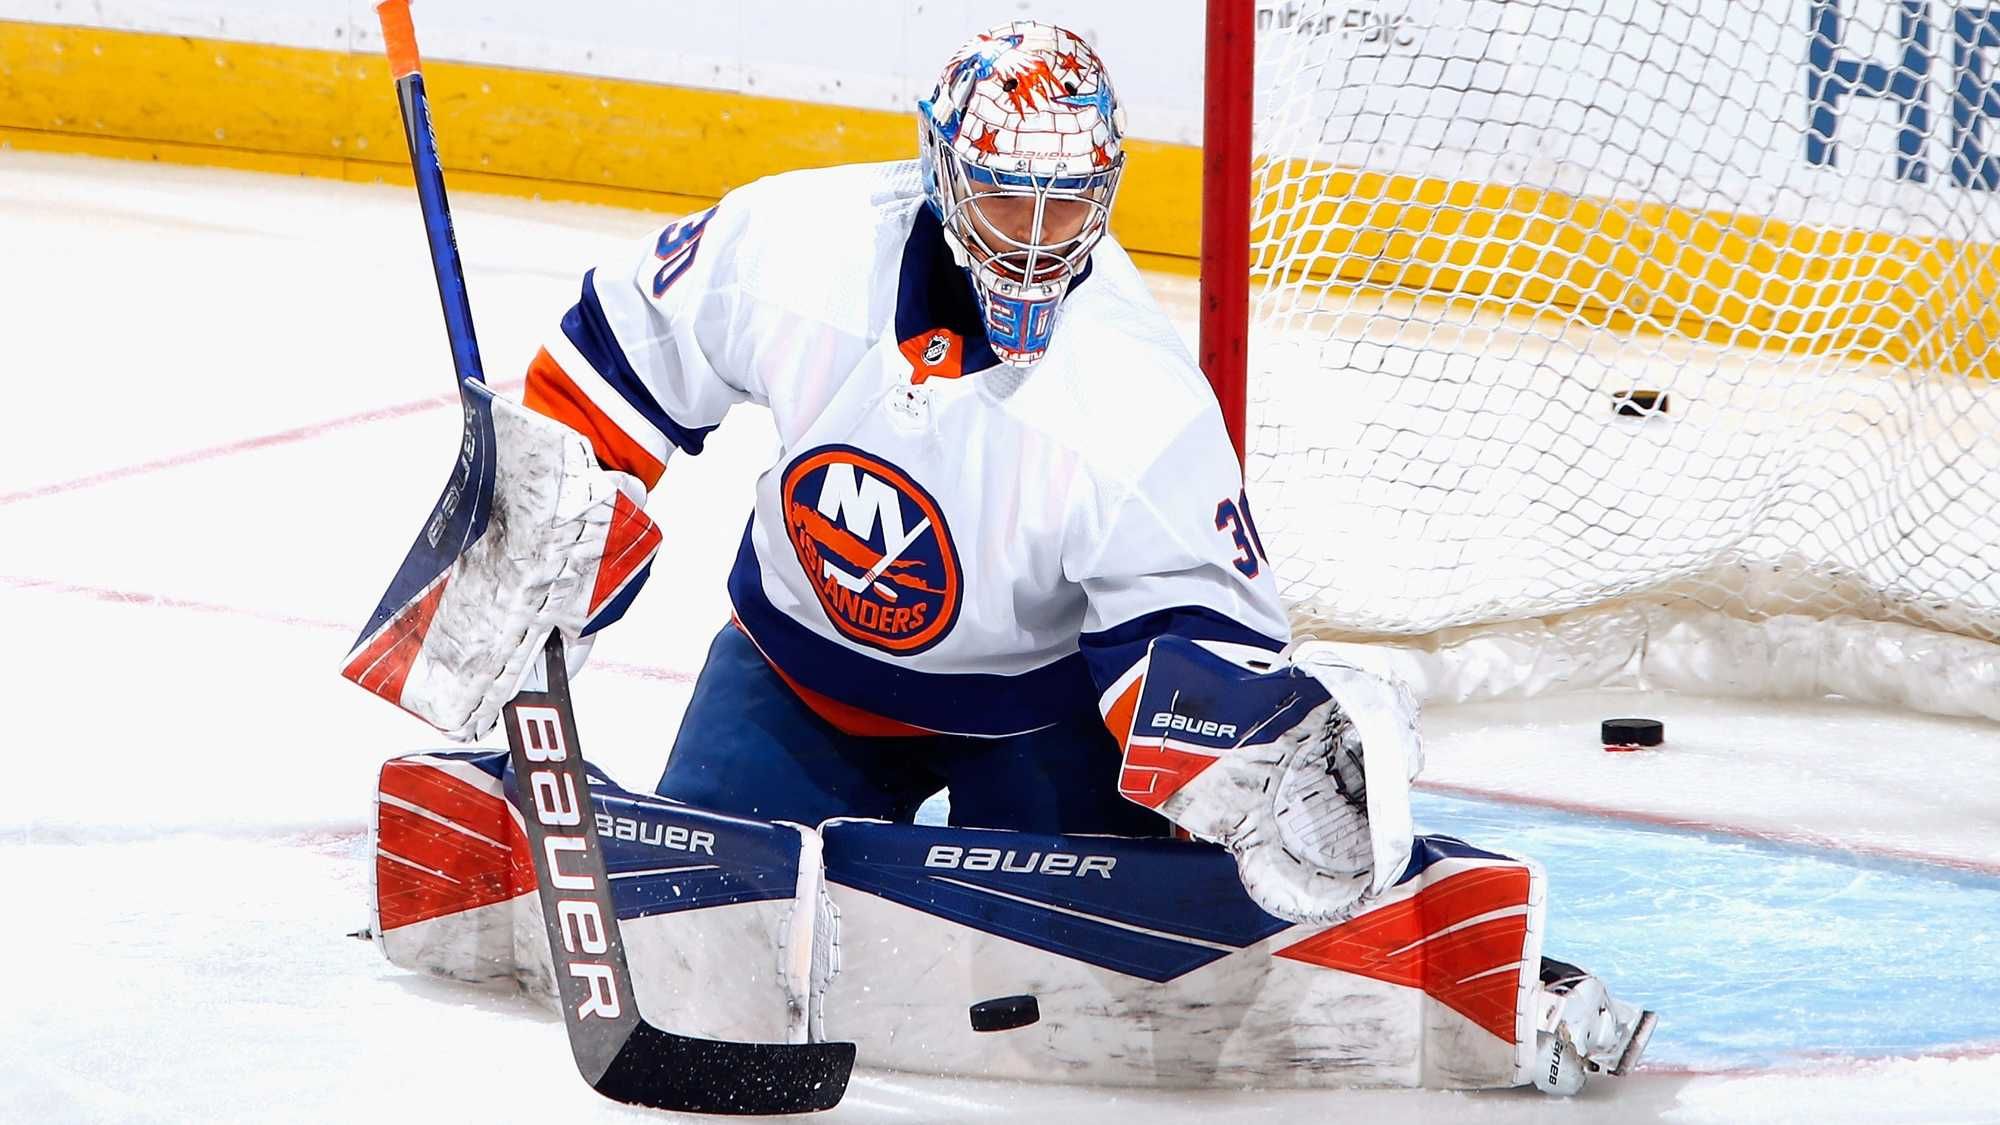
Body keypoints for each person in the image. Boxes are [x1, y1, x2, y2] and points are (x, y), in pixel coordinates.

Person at [345, 20, 1650, 1093]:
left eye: (1066, 197)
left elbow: (1185, 640)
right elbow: (618, 362)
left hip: (1030, 721)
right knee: (704, 925)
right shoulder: (794, 248)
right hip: (795, 678)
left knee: (1090, 982)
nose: (1034, 233)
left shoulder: (1139, 399)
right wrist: (540, 511)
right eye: (1005, 193)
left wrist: (1253, 748)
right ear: (938, 167)